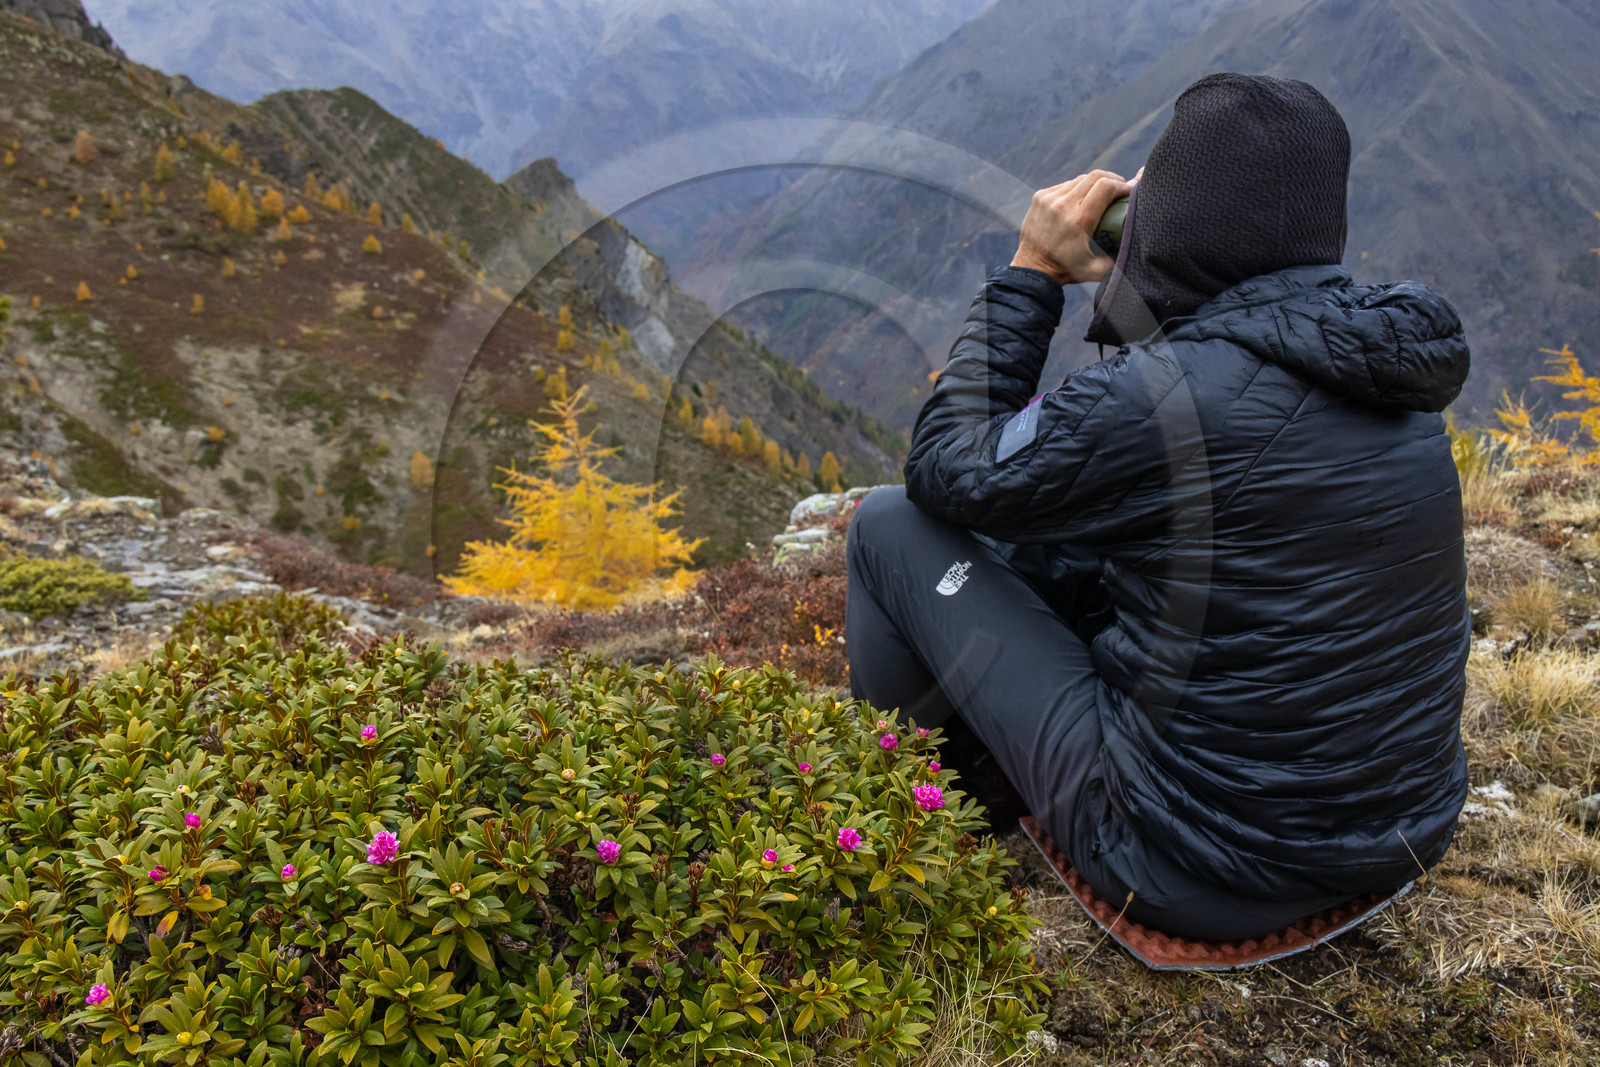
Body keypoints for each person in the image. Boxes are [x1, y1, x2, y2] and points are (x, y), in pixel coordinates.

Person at [844, 72, 1471, 942]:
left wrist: (1032, 274)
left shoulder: (1165, 400)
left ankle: (907, 813)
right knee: (1059, 551)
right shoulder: (1387, 367)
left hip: (1189, 866)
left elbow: (945, 468)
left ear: (1178, 223)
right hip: (1400, 833)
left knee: (887, 525)